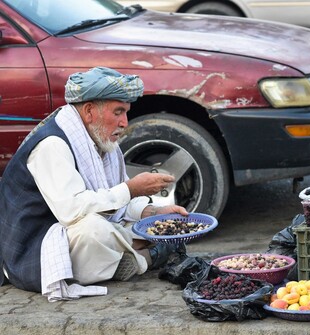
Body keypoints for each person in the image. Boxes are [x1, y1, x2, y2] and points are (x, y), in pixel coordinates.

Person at [0, 67, 187, 300]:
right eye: (118, 112)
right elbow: (72, 211)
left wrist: (153, 212)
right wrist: (131, 190)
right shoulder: (52, 145)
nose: (124, 122)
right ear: (89, 111)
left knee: (118, 226)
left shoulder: (100, 141)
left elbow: (115, 196)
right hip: (32, 251)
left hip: (73, 234)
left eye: (126, 113)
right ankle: (146, 257)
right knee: (94, 230)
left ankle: (135, 250)